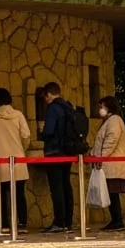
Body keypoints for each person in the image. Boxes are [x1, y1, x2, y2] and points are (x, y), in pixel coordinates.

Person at [0, 88, 31, 231]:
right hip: (17, 161)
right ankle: (21, 223)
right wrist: (21, 149)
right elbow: (26, 136)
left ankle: (2, 224)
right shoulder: (18, 115)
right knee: (19, 193)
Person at [89, 96, 125, 231]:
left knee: (112, 192)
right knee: (110, 192)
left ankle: (117, 220)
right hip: (109, 163)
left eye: (102, 106)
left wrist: (101, 157)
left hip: (112, 164)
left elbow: (111, 140)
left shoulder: (114, 120)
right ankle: (116, 219)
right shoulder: (109, 120)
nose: (100, 109)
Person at [38, 82, 75, 233]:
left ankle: (59, 221)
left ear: (48, 94)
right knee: (66, 185)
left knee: (57, 188)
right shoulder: (68, 106)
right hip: (68, 151)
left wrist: (41, 131)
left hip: (54, 152)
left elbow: (49, 131)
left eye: (45, 97)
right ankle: (68, 221)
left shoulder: (53, 108)